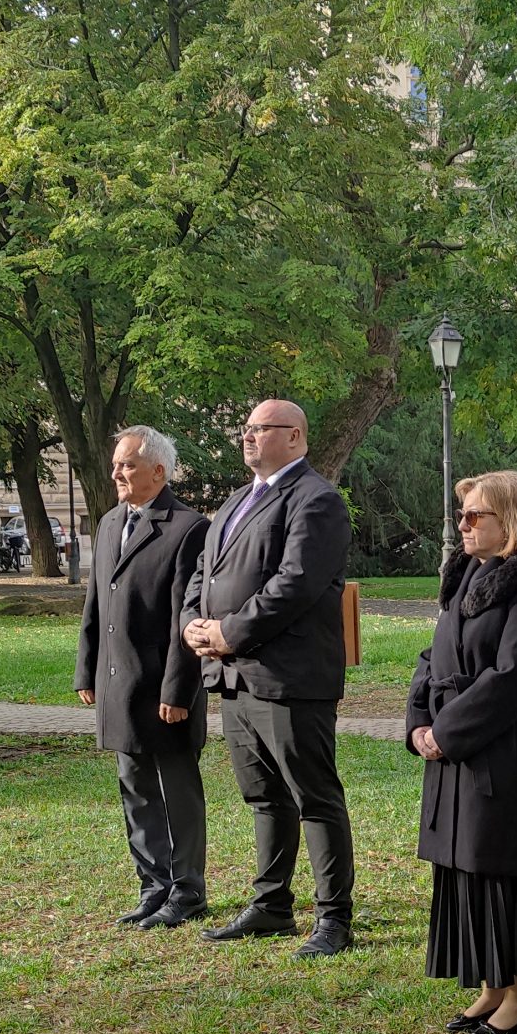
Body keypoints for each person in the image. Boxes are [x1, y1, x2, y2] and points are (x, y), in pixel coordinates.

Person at [406, 472, 517, 1034]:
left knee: (501, 867)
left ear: (513, 521)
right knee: (464, 865)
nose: (462, 524)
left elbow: (514, 677)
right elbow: (432, 656)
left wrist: (447, 731)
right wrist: (419, 722)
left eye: (475, 515)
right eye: (461, 514)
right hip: (457, 743)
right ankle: (491, 987)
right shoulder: (468, 575)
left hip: (506, 748)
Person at [183, 399, 357, 959]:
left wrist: (230, 632)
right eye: (247, 429)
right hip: (233, 677)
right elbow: (203, 574)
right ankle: (272, 905)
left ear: (296, 437)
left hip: (289, 678)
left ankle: (333, 918)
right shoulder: (237, 500)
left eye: (261, 429)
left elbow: (295, 584)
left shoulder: (317, 500)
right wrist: (192, 624)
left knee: (314, 797)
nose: (248, 437)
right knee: (264, 797)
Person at [76, 428, 211, 929]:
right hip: (118, 683)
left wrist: (178, 690)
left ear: (158, 470)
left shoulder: (188, 528)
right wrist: (87, 667)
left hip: (162, 687)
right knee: (135, 790)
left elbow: (186, 617)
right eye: (116, 464)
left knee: (176, 795)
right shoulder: (110, 522)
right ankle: (153, 887)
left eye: (127, 464)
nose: (116, 473)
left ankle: (187, 891)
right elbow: (96, 602)